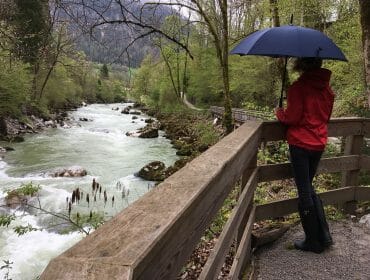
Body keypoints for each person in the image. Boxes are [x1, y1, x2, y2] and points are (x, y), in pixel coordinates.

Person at [275, 57, 334, 253]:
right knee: (308, 186)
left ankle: (313, 241)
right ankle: (324, 236)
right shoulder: (327, 90)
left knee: (304, 191)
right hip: (318, 143)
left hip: (300, 144)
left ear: (302, 65)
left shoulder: (298, 88)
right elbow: (325, 117)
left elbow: (292, 117)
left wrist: (280, 113)